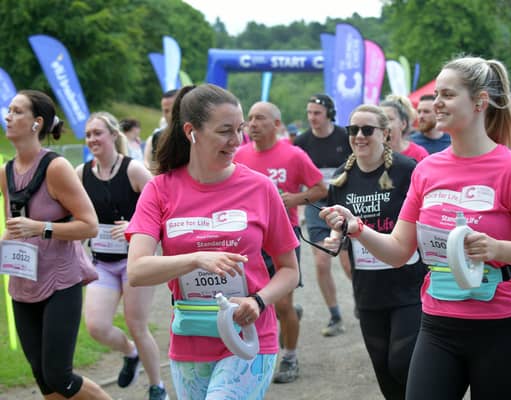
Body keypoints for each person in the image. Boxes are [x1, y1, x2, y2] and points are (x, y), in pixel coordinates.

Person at [319, 56, 511, 400]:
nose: (436, 102)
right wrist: (357, 228)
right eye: (436, 93)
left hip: (501, 326)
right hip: (438, 324)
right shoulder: (427, 171)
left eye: (448, 95)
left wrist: (498, 249)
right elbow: (398, 251)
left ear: (480, 102)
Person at [125, 84, 299, 399]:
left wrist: (258, 302)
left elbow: (289, 269)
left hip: (249, 337)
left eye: (240, 130)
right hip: (190, 338)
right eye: (225, 131)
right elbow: (137, 270)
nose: (237, 141)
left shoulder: (260, 188)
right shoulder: (159, 190)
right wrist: (196, 258)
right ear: (192, 131)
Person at [1, 90, 111, 399]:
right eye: (9, 110)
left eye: (17, 111)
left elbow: (89, 225)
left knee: (58, 375)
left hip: (60, 282)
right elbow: (15, 227)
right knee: (42, 377)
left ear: (37, 123)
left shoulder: (56, 167)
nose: (8, 116)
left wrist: (40, 228)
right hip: (22, 282)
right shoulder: (6, 172)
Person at [326, 104, 426, 399]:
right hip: (368, 287)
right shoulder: (340, 179)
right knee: (383, 369)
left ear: (386, 134)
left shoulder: (408, 170)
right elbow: (341, 224)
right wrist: (336, 238)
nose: (359, 136)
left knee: (402, 362)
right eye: (353, 130)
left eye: (367, 130)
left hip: (408, 283)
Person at [234, 101, 327, 384]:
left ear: (276, 124)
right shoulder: (239, 155)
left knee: (282, 304)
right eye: (249, 118)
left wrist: (296, 199)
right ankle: (248, 352)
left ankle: (289, 358)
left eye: (260, 118)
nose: (253, 124)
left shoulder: (294, 155)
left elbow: (321, 188)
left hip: (283, 237)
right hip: (249, 241)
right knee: (251, 301)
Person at [77, 112, 167, 399]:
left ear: (114, 135)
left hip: (134, 262)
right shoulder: (80, 173)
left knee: (137, 324)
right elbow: (77, 213)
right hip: (101, 261)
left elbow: (162, 207)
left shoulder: (134, 170)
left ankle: (157, 387)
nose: (92, 139)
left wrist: (134, 225)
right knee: (96, 326)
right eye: (88, 134)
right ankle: (130, 353)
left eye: (98, 133)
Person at [294, 93, 353, 337]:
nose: (312, 118)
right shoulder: (301, 142)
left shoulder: (344, 137)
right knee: (321, 261)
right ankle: (335, 315)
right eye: (309, 113)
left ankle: (364, 302)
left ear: (328, 113)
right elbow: (296, 178)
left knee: (349, 264)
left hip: (344, 203)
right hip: (316, 205)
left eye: (317, 113)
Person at [380, 97, 429, 162]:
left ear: (403, 124)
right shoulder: (371, 152)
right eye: (381, 119)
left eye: (390, 119)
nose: (384, 123)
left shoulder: (419, 153)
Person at [143, 89, 178, 172]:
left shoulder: (194, 136)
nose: (170, 114)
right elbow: (153, 169)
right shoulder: (157, 137)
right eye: (166, 111)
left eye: (173, 109)